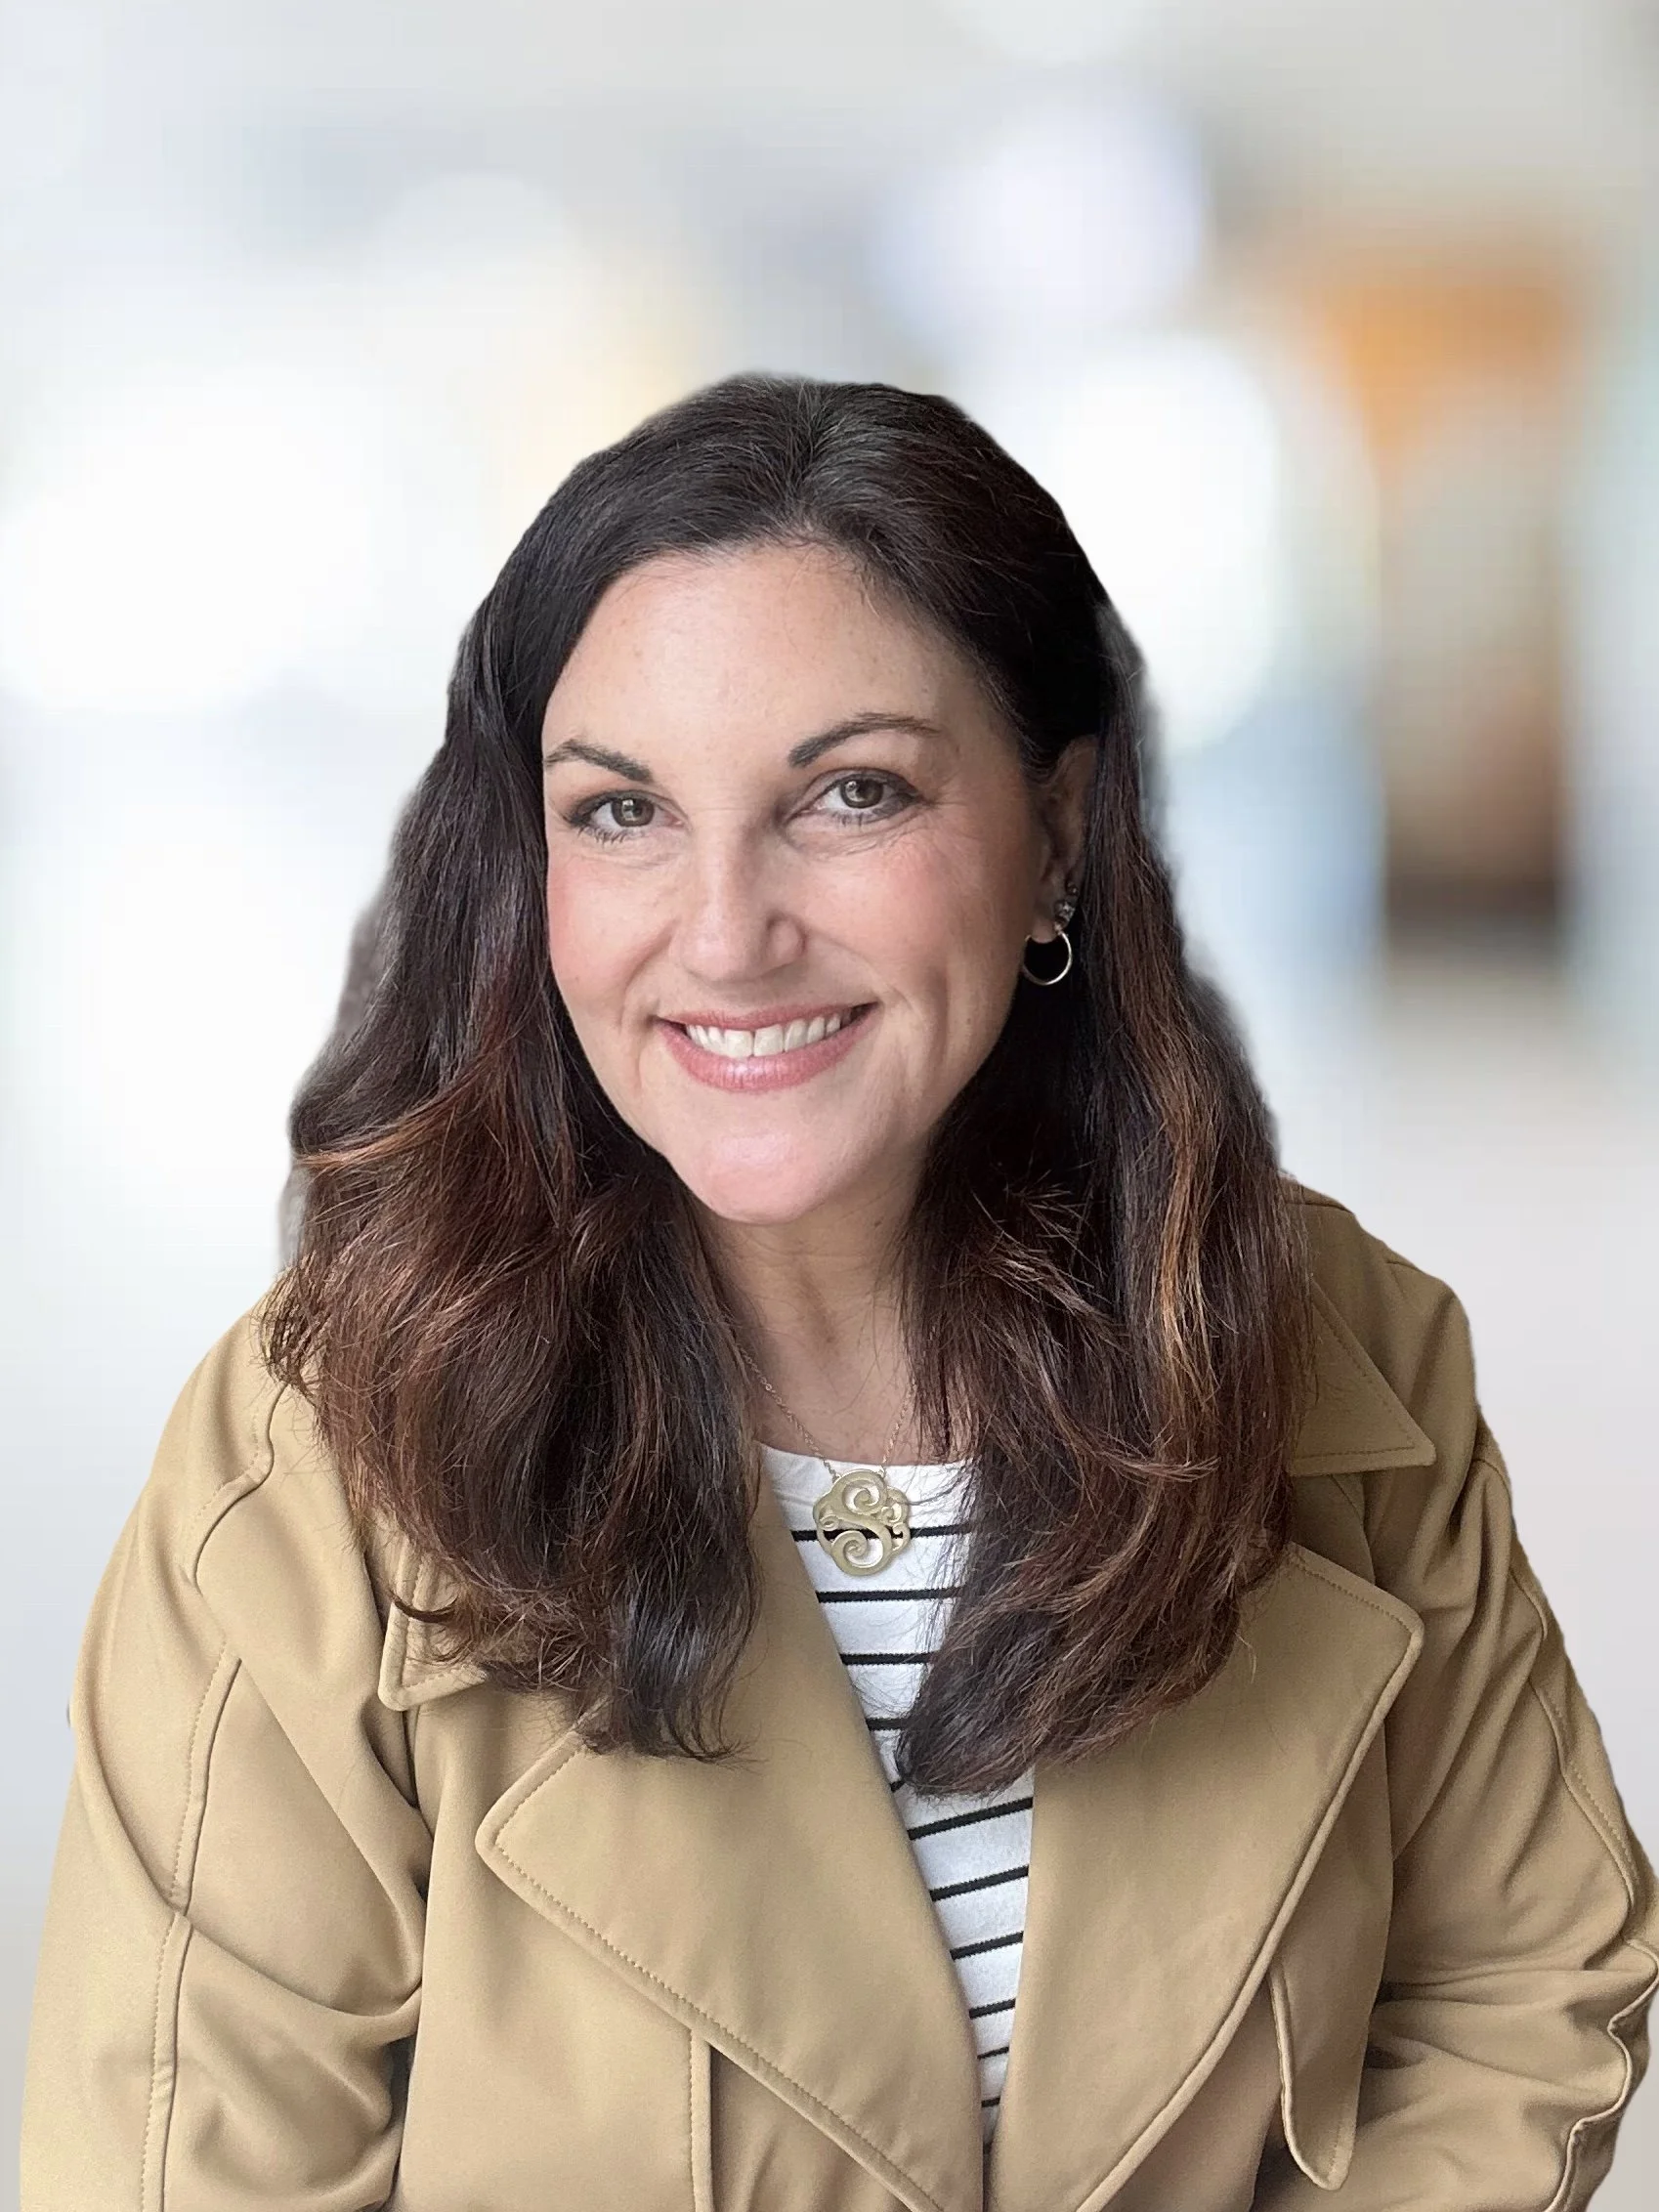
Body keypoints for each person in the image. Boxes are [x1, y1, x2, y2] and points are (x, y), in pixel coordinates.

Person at [21, 372, 1657, 2212]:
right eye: (622, 811)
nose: (723, 933)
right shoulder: (317, 1460)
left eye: (850, 793)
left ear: (1052, 830)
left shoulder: (1336, 1350)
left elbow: (1517, 1987)